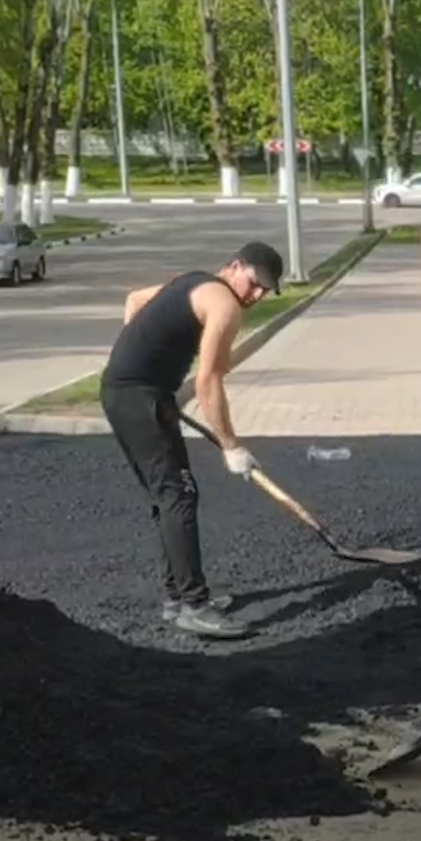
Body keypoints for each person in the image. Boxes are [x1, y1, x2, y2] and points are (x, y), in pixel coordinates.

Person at [99, 241, 283, 640]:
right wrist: (231, 445)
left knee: (170, 496)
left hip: (127, 393)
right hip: (138, 397)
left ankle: (177, 597)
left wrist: (137, 362)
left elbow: (135, 301)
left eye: (264, 291)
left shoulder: (189, 283)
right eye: (253, 283)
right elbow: (208, 382)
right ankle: (194, 606)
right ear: (235, 266)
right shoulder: (225, 304)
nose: (255, 295)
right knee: (178, 495)